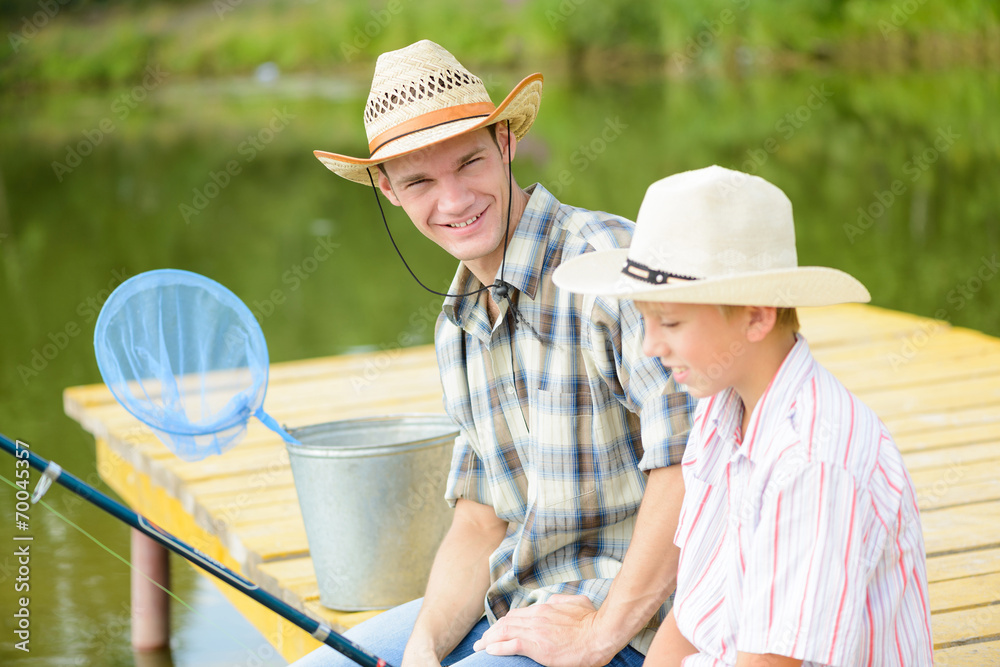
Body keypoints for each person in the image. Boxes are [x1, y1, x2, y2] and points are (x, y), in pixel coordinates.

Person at [294, 40, 694, 667]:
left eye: (469, 163)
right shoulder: (457, 326)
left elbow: (693, 469)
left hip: (646, 620)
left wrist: (597, 636)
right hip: (525, 602)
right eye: (420, 180)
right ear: (387, 189)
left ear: (506, 142)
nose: (453, 201)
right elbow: (481, 521)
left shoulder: (610, 264)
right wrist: (421, 652)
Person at [552, 165, 934, 666]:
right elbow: (691, 613)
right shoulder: (721, 406)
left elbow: (774, 661)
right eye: (645, 319)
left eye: (669, 321)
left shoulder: (811, 460)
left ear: (756, 316)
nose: (649, 346)